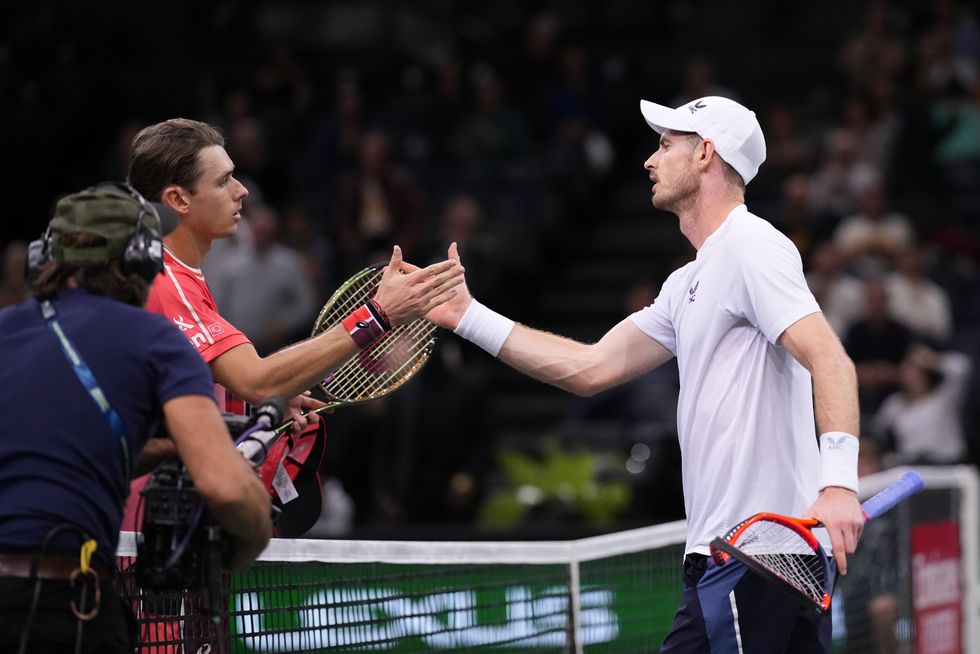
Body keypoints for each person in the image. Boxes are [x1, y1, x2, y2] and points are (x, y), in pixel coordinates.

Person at [426, 96, 865, 653]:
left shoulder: (753, 246)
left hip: (756, 553)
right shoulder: (686, 284)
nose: (649, 161)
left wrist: (838, 484)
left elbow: (829, 357)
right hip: (743, 554)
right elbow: (588, 368)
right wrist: (467, 316)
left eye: (665, 144)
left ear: (706, 153)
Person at [125, 118, 463, 536]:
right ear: (178, 199)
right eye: (224, 181)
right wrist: (378, 315)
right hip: (138, 535)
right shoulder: (165, 279)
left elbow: (193, 391)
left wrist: (250, 410)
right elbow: (257, 379)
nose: (242, 190)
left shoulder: (168, 274)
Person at [0, 183, 272, 653]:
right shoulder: (161, 342)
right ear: (147, 260)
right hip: (69, 608)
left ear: (43, 255)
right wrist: (249, 540)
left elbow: (71, 447)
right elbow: (224, 487)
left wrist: (168, 445)